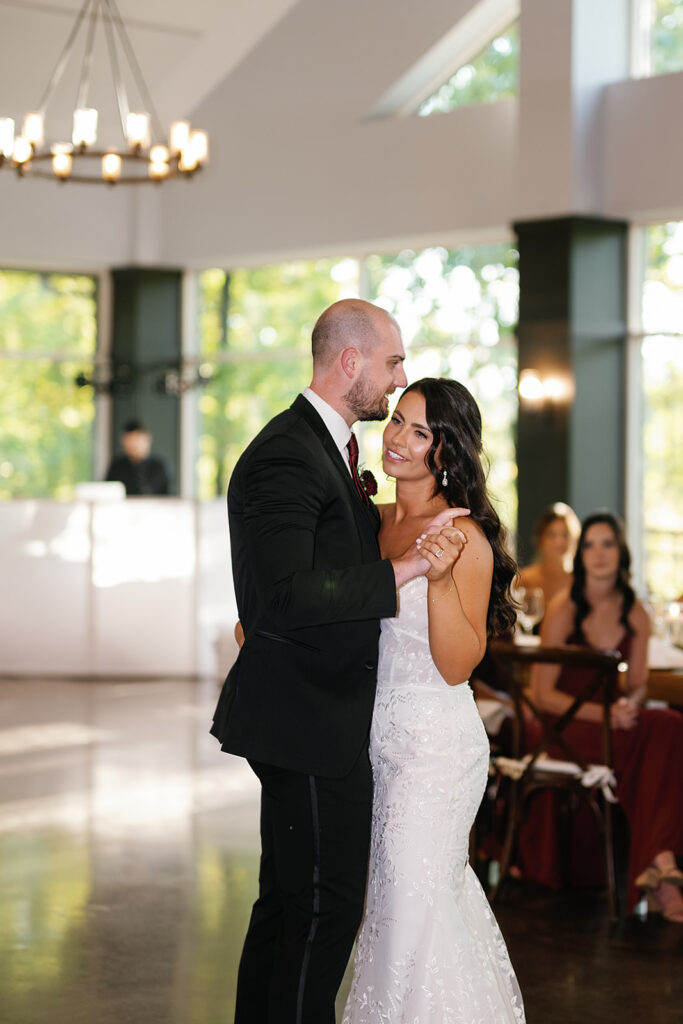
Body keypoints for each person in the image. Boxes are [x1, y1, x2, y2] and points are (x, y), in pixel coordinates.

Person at [210, 300, 462, 1023]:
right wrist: (407, 567)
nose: (398, 377)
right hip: (308, 722)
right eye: (391, 361)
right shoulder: (291, 452)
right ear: (349, 361)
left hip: (313, 716)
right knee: (320, 912)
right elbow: (284, 592)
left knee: (288, 906)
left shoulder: (329, 450)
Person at [342, 378, 525, 1023]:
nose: (396, 438)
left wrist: (440, 576)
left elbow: (455, 667)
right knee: (385, 905)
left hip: (433, 748)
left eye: (419, 432)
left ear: (446, 452)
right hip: (371, 741)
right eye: (397, 421)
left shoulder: (462, 536)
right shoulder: (375, 521)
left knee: (412, 905)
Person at [522, 511, 683, 920]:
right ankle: (661, 867)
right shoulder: (563, 608)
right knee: (665, 731)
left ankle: (659, 864)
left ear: (621, 552)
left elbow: (639, 687)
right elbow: (542, 694)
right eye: (590, 544)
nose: (598, 553)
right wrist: (606, 715)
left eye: (607, 543)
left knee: (666, 728)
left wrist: (628, 703)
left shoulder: (636, 612)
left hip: (613, 726)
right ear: (581, 555)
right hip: (567, 729)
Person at [518, 501, 580, 607]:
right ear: (541, 538)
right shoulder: (525, 580)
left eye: (565, 535)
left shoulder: (580, 581)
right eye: (552, 535)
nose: (559, 542)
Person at [105, 419, 171, 495]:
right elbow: (107, 493)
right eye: (129, 440)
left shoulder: (159, 468)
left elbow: (168, 498)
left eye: (137, 439)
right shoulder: (117, 467)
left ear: (147, 438)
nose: (133, 445)